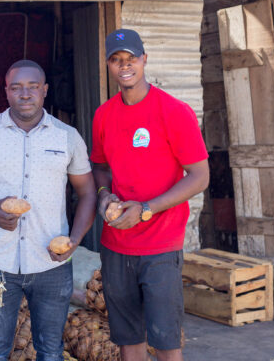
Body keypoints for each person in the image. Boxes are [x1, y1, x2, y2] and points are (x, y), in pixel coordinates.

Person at [0, 59, 96, 361]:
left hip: (51, 265)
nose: (25, 94)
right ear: (6, 91)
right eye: (16, 87)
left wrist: (75, 241)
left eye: (32, 87)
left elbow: (87, 193)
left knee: (51, 352)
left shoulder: (66, 136)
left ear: (44, 91)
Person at [91, 29, 210, 361]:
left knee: (166, 343)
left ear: (144, 60)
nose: (124, 66)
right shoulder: (104, 115)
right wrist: (103, 197)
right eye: (116, 60)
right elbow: (99, 167)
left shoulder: (173, 111)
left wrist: (146, 208)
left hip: (161, 245)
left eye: (131, 59)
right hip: (116, 245)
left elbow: (200, 176)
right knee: (129, 342)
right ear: (108, 65)